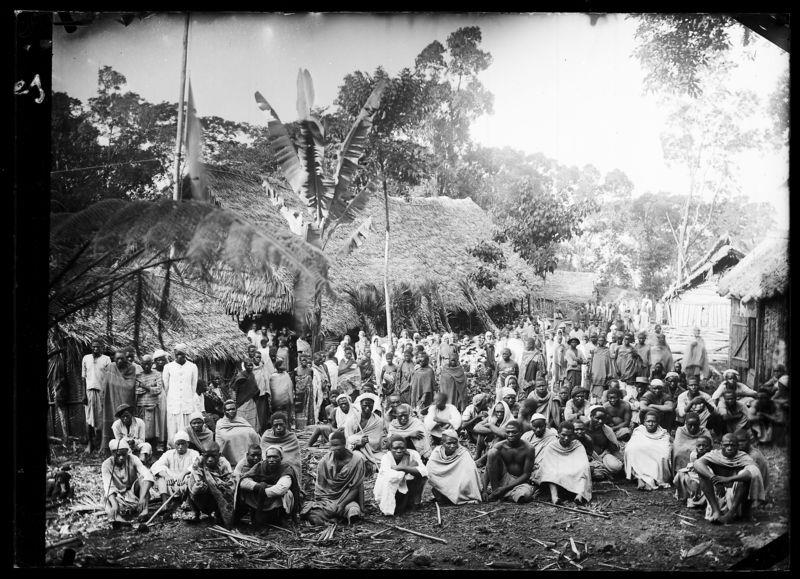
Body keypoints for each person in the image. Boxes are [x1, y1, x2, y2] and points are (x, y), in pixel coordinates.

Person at [693, 433, 765, 524]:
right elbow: (697, 464)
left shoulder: (743, 457)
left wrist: (728, 479)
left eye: (733, 445)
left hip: (737, 495)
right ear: (721, 445)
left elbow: (753, 472)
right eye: (726, 445)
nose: (729, 448)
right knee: (703, 473)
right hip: (717, 493)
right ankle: (716, 510)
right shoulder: (714, 455)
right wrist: (714, 479)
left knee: (744, 475)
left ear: (737, 446)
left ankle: (731, 514)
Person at [300, 429, 366, 526]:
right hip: (328, 499)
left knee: (353, 510)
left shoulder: (357, 461)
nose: (334, 449)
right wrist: (322, 502)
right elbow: (320, 487)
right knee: (312, 514)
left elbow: (355, 488)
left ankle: (335, 518)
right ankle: (332, 519)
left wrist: (342, 504)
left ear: (344, 444)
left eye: (337, 445)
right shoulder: (325, 461)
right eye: (332, 446)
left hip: (346, 498)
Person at [236, 445, 301, 526]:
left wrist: (263, 489)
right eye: (269, 457)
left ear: (281, 458)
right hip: (260, 498)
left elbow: (279, 489)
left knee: (287, 494)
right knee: (244, 490)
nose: (271, 460)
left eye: (275, 457)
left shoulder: (286, 469)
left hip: (275, 499)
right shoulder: (260, 465)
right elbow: (243, 481)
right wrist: (260, 486)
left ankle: (281, 517)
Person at [535, 422, 592, 505]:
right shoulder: (551, 446)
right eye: (563, 435)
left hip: (573, 470)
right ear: (558, 433)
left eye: (570, 436)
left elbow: (582, 462)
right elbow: (548, 464)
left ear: (573, 435)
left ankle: (579, 495)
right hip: (558, 470)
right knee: (551, 473)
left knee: (584, 470)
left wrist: (574, 468)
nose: (566, 438)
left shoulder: (577, 445)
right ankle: (554, 497)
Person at [101, 439, 155, 528]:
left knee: (143, 482)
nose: (121, 457)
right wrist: (114, 504)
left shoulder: (133, 458)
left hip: (132, 491)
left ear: (127, 452)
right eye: (118, 455)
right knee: (107, 500)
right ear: (112, 453)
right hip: (118, 494)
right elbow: (109, 487)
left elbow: (147, 475)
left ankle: (144, 511)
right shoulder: (106, 465)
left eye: (124, 454)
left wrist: (142, 497)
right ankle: (117, 518)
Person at [373, 435, 428, 516]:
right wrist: (410, 468)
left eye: (402, 448)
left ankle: (414, 502)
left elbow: (424, 471)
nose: (399, 451)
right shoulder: (386, 457)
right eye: (395, 448)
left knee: (422, 476)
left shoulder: (413, 454)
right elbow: (391, 477)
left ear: (405, 447)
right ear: (390, 449)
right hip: (393, 488)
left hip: (409, 484)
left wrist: (402, 468)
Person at [483, 421, 536, 503]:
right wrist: (485, 490)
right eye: (508, 432)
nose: (510, 435)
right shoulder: (499, 446)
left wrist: (504, 489)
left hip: (518, 482)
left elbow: (526, 475)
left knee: (524, 496)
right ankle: (496, 492)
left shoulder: (529, 448)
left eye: (514, 432)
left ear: (521, 432)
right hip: (502, 479)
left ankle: (501, 494)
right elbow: (488, 468)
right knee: (492, 452)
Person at [150, 431, 199, 518]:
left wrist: (183, 474)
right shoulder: (169, 453)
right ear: (174, 444)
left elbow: (196, 465)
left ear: (187, 444)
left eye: (183, 444)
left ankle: (187, 502)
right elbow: (156, 466)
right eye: (178, 444)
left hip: (185, 482)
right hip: (171, 482)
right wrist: (166, 476)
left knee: (192, 476)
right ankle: (165, 503)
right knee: (161, 475)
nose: (180, 447)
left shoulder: (193, 453)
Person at [427, 428, 482, 505]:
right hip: (444, 484)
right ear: (442, 443)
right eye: (449, 443)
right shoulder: (437, 452)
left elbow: (471, 473)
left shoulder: (463, 453)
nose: (452, 446)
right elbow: (430, 471)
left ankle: (457, 497)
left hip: (458, 485)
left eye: (455, 443)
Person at [162, 343, 202, 448]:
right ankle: (172, 448)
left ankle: (187, 448)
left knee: (186, 427)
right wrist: (171, 399)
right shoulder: (168, 367)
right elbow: (165, 387)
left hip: (187, 402)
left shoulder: (192, 367)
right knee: (173, 428)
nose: (180, 356)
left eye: (182, 354)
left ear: (186, 354)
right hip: (173, 403)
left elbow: (193, 386)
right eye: (177, 354)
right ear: (174, 354)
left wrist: (188, 397)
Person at [187, 441, 235, 527]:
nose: (210, 459)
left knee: (225, 493)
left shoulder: (224, 464)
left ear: (219, 455)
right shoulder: (198, 462)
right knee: (187, 480)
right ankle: (195, 512)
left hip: (218, 495)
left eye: (213, 456)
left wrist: (218, 484)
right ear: (202, 455)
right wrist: (197, 486)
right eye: (207, 456)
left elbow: (230, 484)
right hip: (202, 492)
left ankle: (219, 514)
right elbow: (194, 478)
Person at [624, 410, 672, 490]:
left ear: (658, 422)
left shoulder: (663, 434)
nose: (650, 424)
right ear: (644, 422)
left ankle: (649, 480)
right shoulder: (639, 431)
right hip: (640, 461)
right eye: (648, 421)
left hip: (656, 461)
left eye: (653, 422)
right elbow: (630, 447)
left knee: (663, 456)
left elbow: (665, 450)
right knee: (632, 450)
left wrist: (652, 451)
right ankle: (640, 478)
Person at [100, 352, 138, 453]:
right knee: (111, 418)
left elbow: (130, 385)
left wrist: (119, 385)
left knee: (125, 417)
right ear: (114, 359)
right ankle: (110, 446)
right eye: (117, 359)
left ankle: (127, 445)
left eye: (122, 359)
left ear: (125, 359)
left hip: (125, 399)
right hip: (111, 399)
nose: (119, 361)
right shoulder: (111, 367)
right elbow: (105, 383)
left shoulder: (131, 368)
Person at [82, 339, 111, 454]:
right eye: (94, 347)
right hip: (89, 392)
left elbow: (109, 378)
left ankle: (101, 444)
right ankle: (90, 444)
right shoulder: (86, 358)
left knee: (101, 419)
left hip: (102, 392)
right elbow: (83, 378)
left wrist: (106, 394)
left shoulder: (106, 359)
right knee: (88, 419)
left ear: (102, 348)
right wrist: (84, 394)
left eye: (98, 347)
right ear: (91, 347)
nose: (95, 349)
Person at [344, 393, 386, 473]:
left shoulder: (378, 421)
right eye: (365, 405)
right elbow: (348, 439)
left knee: (385, 459)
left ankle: (371, 466)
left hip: (373, 452)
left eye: (370, 405)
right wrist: (359, 442)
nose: (367, 408)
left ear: (374, 405)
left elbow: (377, 441)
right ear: (360, 404)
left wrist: (368, 441)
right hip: (356, 450)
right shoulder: (352, 420)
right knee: (358, 458)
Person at [215, 400, 261, 467]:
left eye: (233, 409)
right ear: (224, 411)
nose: (231, 411)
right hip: (230, 460)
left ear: (236, 410)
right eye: (228, 409)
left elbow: (252, 433)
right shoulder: (221, 423)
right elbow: (220, 439)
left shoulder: (241, 420)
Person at [259, 411, 301, 483]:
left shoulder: (291, 438)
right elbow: (263, 456)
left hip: (286, 472)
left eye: (281, 425)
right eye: (276, 425)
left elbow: (294, 461)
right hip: (269, 470)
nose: (279, 428)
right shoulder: (266, 437)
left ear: (286, 424)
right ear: (272, 426)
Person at [673, 434, 713, 508]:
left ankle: (698, 499)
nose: (701, 448)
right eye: (699, 445)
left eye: (704, 446)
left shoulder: (712, 456)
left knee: (698, 482)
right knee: (680, 475)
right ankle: (685, 495)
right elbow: (693, 466)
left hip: (707, 477)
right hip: (695, 474)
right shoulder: (694, 454)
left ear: (710, 447)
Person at [585, 407, 623, 480]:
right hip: (587, 457)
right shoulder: (582, 429)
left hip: (603, 455)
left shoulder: (607, 430)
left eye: (603, 419)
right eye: (597, 418)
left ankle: (600, 469)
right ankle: (601, 470)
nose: (600, 421)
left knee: (616, 466)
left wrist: (605, 452)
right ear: (591, 416)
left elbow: (614, 447)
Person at [230, 359, 261, 431]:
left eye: (251, 365)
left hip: (250, 400)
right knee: (243, 420)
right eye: (248, 365)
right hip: (242, 403)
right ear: (244, 366)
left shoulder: (251, 375)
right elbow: (234, 389)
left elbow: (254, 388)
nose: (250, 367)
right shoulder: (241, 377)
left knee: (252, 419)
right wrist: (235, 401)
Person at [151, 349, 171, 453]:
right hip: (155, 397)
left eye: (162, 360)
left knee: (165, 419)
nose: (160, 362)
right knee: (156, 419)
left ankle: (164, 441)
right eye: (158, 360)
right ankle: (156, 441)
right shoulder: (152, 371)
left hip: (167, 396)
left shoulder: (169, 370)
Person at [588, 335, 615, 404]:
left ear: (605, 342)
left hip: (603, 372)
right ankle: (594, 402)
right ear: (597, 341)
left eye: (602, 340)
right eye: (600, 340)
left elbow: (609, 362)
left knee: (602, 390)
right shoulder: (595, 350)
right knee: (594, 390)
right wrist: (589, 371)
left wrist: (609, 372)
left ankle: (601, 402)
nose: (601, 342)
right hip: (595, 373)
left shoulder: (607, 351)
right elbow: (592, 362)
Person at [268, 358, 295, 428]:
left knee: (287, 417)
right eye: (283, 364)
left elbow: (290, 387)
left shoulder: (286, 374)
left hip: (286, 402)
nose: (285, 365)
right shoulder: (273, 377)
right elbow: (273, 390)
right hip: (277, 403)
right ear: (278, 366)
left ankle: (287, 430)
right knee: (278, 417)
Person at [252, 351, 274, 434]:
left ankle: (263, 430)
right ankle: (258, 431)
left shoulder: (263, 367)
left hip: (263, 394)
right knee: (257, 414)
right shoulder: (252, 369)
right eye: (257, 357)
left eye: (259, 357)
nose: (258, 359)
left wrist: (268, 391)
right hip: (255, 395)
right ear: (253, 358)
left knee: (264, 414)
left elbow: (267, 378)